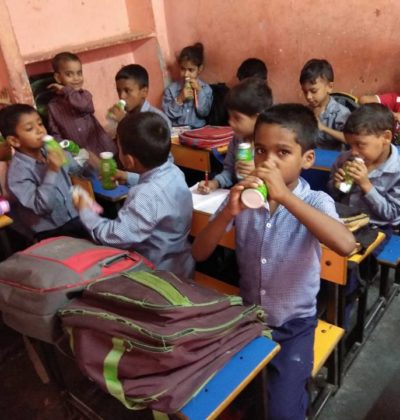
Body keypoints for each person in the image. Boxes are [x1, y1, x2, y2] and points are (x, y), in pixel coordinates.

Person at [192, 103, 356, 420]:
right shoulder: (243, 196)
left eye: (282, 152)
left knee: (282, 412)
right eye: (260, 151)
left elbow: (346, 245)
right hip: (248, 316)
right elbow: (199, 252)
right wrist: (227, 212)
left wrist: (285, 197)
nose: (268, 162)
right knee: (225, 396)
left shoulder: (315, 200)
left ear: (307, 159)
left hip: (294, 325)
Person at [73, 112, 194, 278]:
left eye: (118, 148)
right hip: (182, 264)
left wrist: (86, 211)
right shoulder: (174, 172)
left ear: (129, 161)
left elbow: (113, 236)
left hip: (157, 276)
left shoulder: (144, 197)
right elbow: (157, 187)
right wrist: (127, 176)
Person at [328, 103, 400, 327]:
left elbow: (391, 214)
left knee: (351, 270)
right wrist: (338, 185)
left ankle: (343, 316)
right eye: (350, 145)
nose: (354, 152)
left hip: (379, 228)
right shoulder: (346, 159)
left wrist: (367, 185)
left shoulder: (397, 170)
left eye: (360, 144)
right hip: (347, 221)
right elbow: (335, 197)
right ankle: (325, 299)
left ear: (386, 137)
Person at [0, 104, 88, 241]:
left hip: (75, 216)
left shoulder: (49, 151)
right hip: (51, 231)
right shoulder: (17, 173)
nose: (40, 130)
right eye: (30, 128)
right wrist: (52, 170)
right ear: (14, 141)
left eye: (40, 124)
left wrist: (73, 156)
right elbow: (42, 207)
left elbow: (74, 169)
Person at [197, 77, 272, 194]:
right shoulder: (238, 140)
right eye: (230, 116)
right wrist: (215, 183)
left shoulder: (271, 144)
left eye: (237, 118)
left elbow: (280, 182)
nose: (231, 122)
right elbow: (229, 171)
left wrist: (256, 172)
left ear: (258, 119)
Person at [47, 52, 117, 156]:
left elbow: (84, 106)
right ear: (58, 78)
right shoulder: (53, 106)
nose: (76, 78)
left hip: (102, 149)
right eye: (69, 74)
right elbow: (55, 133)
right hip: (80, 155)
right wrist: (65, 148)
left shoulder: (85, 96)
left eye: (79, 73)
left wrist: (66, 90)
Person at [300, 58, 350, 150]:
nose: (308, 97)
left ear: (329, 87)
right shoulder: (306, 111)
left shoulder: (341, 113)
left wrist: (323, 128)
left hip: (333, 157)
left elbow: (351, 139)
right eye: (305, 92)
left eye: (313, 91)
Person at [107, 64, 171, 135]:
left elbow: (144, 140)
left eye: (127, 91)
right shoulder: (125, 116)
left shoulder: (158, 119)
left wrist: (124, 122)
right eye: (118, 91)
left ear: (144, 92)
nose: (121, 96)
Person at [162, 42, 213, 128]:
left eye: (191, 70)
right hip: (178, 130)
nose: (186, 74)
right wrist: (180, 99)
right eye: (183, 69)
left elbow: (204, 113)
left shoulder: (205, 89)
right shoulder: (171, 90)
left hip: (198, 129)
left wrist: (199, 92)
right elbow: (167, 115)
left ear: (200, 69)